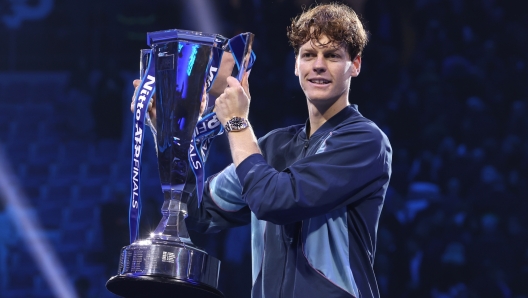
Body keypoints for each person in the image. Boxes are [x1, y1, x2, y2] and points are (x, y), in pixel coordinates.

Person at [132, 3, 391, 297]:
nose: (318, 65)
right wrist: (169, 133)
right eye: (308, 55)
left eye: (332, 55)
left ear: (355, 64)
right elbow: (198, 211)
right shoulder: (271, 145)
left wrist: (237, 123)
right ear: (296, 65)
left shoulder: (365, 141)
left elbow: (277, 200)